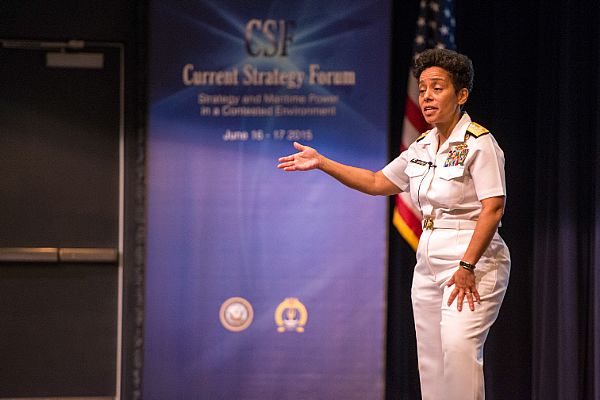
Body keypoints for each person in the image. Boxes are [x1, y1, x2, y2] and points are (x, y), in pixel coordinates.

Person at [277, 48, 510, 400]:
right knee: (432, 363)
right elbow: (375, 182)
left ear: (461, 95)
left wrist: (466, 265)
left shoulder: (479, 143)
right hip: (429, 263)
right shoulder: (422, 147)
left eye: (438, 88)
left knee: (459, 352)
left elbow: (493, 208)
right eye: (423, 89)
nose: (427, 96)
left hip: (472, 262)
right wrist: (323, 162)